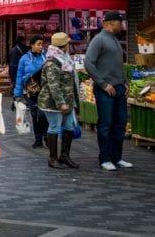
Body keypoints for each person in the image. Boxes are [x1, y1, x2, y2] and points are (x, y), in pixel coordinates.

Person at [84, 12, 132, 171]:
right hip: (106, 90)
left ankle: (117, 157)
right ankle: (105, 158)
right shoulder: (98, 40)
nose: (122, 25)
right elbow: (89, 63)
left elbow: (118, 65)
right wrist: (103, 84)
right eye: (120, 22)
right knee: (106, 124)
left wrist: (124, 82)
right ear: (111, 23)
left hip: (119, 88)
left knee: (120, 123)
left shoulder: (115, 40)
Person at [38, 33, 79, 169]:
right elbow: (53, 86)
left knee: (69, 127)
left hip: (68, 100)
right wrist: (61, 103)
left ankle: (65, 156)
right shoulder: (52, 62)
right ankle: (52, 158)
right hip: (52, 102)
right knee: (54, 127)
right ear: (65, 45)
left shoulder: (65, 59)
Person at [14, 35, 48, 148]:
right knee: (34, 115)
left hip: (44, 91)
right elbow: (19, 76)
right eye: (38, 44)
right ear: (32, 45)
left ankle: (47, 136)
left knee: (43, 114)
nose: (41, 47)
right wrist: (17, 95)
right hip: (30, 92)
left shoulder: (46, 57)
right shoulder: (24, 59)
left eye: (42, 44)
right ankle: (38, 139)